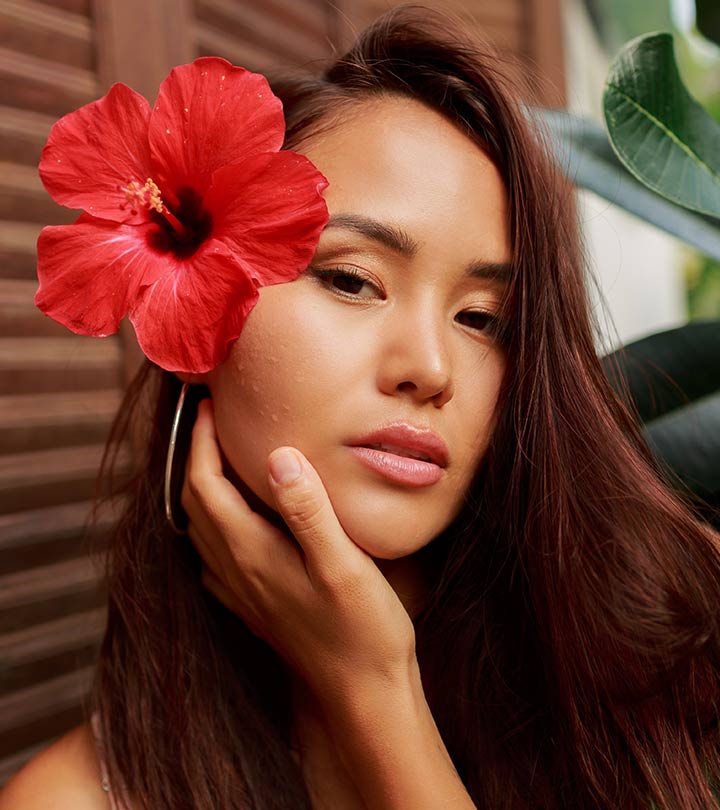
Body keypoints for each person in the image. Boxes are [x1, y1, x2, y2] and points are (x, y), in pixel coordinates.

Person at [2, 6, 720, 809]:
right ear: (198, 314)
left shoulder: (678, 656)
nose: (430, 368)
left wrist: (374, 691)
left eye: (484, 320)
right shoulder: (74, 799)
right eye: (350, 279)